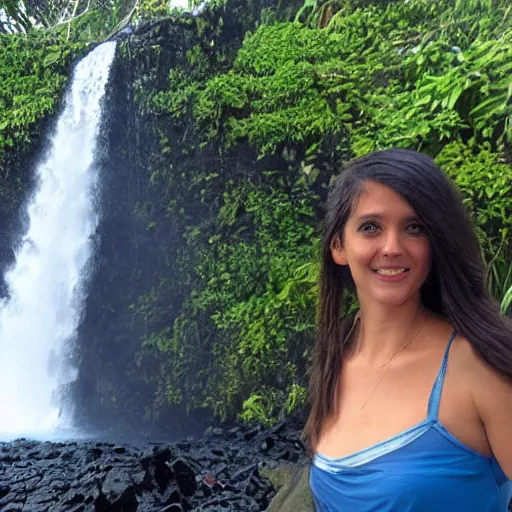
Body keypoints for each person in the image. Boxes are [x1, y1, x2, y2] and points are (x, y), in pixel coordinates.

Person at [303, 149, 512, 511]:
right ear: (339, 245)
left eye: (414, 228)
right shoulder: (337, 352)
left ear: (435, 244)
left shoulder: (476, 365)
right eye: (371, 227)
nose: (392, 247)